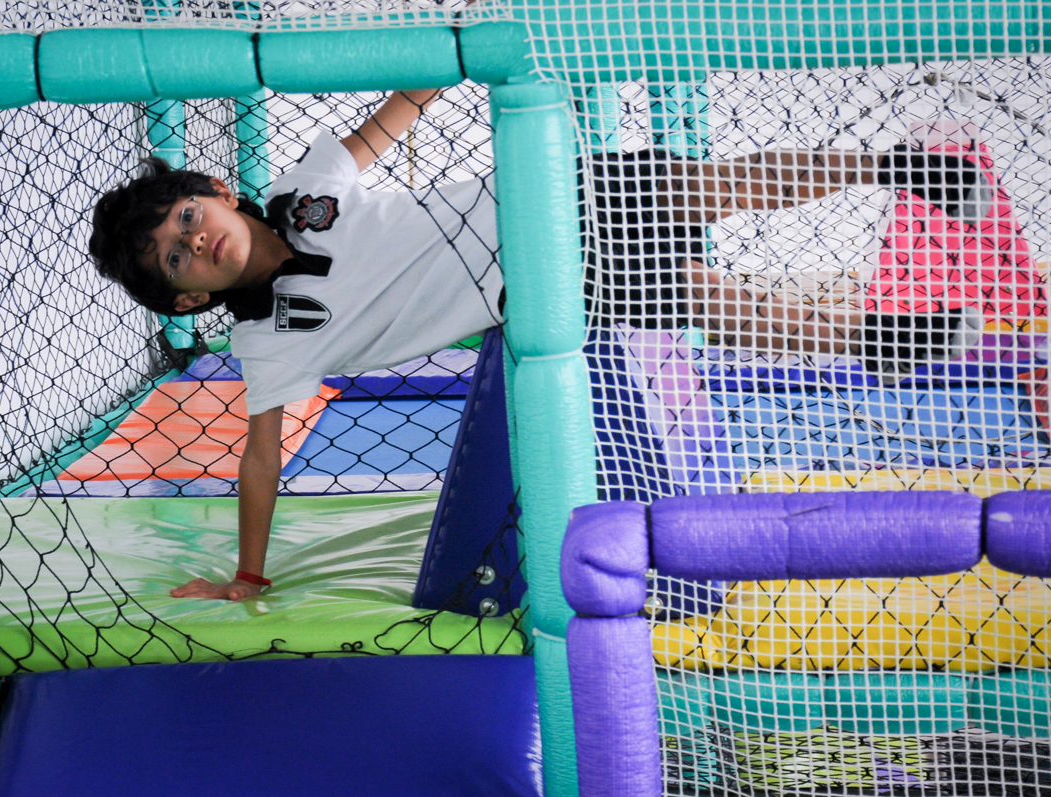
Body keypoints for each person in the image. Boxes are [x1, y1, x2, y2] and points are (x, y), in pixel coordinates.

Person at [89, 89, 986, 600]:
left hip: (550, 194)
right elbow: (258, 460)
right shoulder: (266, 342)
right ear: (186, 294)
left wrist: (441, 65)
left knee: (720, 186)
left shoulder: (301, 191)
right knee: (718, 305)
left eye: (188, 217)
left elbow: (380, 128)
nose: (195, 239)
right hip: (546, 288)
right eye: (177, 255)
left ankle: (896, 168)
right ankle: (881, 338)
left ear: (215, 192)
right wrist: (249, 572)